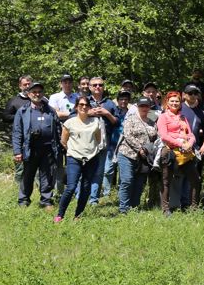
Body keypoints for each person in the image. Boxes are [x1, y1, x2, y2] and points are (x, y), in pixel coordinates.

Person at [12, 82, 61, 209]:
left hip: (48, 149)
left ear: (43, 94)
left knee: (47, 176)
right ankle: (23, 201)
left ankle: (46, 201)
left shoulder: (51, 111)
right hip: (30, 149)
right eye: (34, 92)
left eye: (39, 92)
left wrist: (60, 146)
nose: (37, 94)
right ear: (29, 94)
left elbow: (58, 130)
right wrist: (17, 151)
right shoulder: (22, 111)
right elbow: (17, 132)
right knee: (28, 175)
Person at [55, 97, 103, 222]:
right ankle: (60, 215)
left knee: (86, 188)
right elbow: (63, 141)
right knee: (71, 187)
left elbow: (98, 140)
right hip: (74, 159)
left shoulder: (95, 122)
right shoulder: (69, 122)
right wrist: (74, 151)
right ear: (76, 107)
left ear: (89, 107)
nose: (84, 107)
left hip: (91, 158)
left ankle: (78, 215)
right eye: (81, 104)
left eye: (86, 105)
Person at [156, 91, 197, 215]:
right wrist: (180, 143)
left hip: (185, 151)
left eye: (177, 101)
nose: (174, 103)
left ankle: (193, 207)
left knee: (195, 179)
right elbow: (164, 136)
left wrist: (190, 144)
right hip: (169, 150)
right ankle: (165, 209)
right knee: (166, 180)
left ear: (180, 103)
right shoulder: (163, 117)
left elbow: (191, 135)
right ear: (167, 102)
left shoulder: (183, 117)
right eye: (172, 101)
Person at [117, 96, 158, 213]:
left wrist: (150, 150)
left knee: (139, 183)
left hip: (144, 158)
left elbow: (155, 138)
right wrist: (140, 148)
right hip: (127, 154)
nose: (144, 108)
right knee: (127, 181)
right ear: (137, 106)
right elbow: (128, 135)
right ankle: (123, 209)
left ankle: (134, 207)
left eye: (146, 106)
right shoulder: (130, 119)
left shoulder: (152, 122)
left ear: (149, 107)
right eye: (142, 106)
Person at [82, 76, 119, 205]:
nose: (98, 87)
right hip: (86, 142)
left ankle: (93, 199)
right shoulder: (84, 101)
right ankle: (80, 196)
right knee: (84, 170)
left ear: (104, 87)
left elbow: (116, 122)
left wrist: (106, 113)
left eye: (100, 85)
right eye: (95, 85)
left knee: (99, 172)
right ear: (90, 87)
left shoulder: (109, 103)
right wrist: (88, 113)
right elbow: (73, 116)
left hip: (103, 142)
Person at [181, 85, 204, 207]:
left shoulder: (200, 112)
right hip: (179, 147)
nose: (193, 96)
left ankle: (189, 205)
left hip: (195, 149)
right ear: (184, 95)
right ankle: (176, 204)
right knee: (179, 177)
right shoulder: (179, 108)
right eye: (190, 93)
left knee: (192, 178)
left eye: (195, 93)